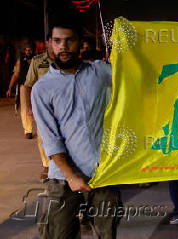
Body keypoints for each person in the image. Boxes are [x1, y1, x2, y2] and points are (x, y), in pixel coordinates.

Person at [31, 12, 122, 238]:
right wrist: (71, 176)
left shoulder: (102, 73)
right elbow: (51, 139)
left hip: (102, 173)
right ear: (50, 44)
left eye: (69, 40)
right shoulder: (42, 89)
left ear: (80, 43)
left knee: (107, 233)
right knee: (59, 234)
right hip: (63, 179)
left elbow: (135, 80)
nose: (64, 47)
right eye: (58, 41)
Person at [24, 37, 55, 181]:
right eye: (53, 40)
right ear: (47, 42)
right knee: (43, 137)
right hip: (43, 106)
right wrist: (29, 107)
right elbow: (28, 85)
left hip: (64, 105)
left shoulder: (66, 59)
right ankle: (47, 165)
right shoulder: (38, 61)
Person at [6, 42, 34, 139]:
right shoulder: (20, 61)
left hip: (36, 86)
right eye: (26, 50)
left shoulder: (38, 60)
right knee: (25, 108)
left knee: (39, 107)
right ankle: (28, 130)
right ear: (24, 51)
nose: (28, 51)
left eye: (29, 49)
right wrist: (10, 87)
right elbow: (15, 74)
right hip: (24, 86)